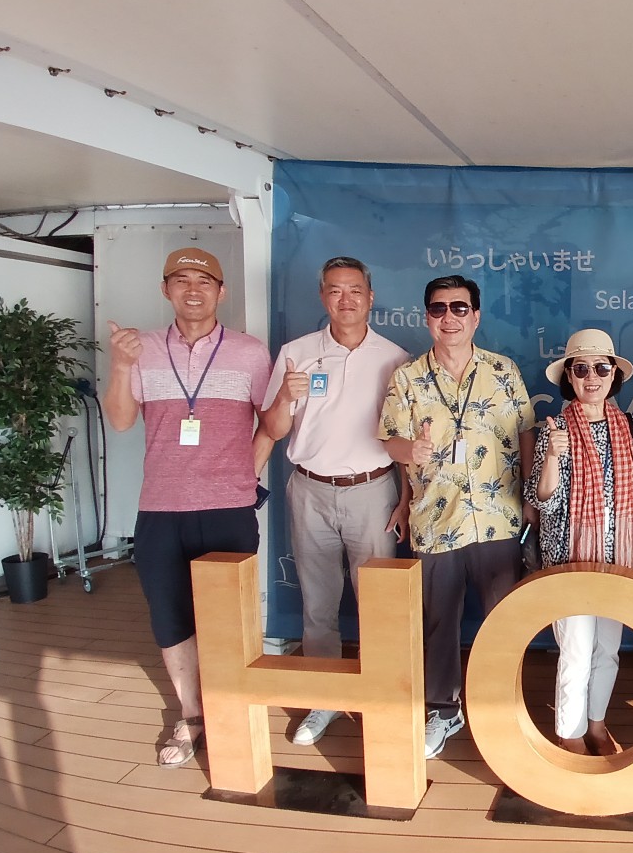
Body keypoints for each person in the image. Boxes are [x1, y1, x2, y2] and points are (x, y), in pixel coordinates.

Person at [102, 247, 272, 768]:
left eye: (204, 281)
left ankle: (230, 708)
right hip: (160, 506)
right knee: (170, 614)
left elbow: (271, 423)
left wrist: (246, 473)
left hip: (229, 507)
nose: (192, 290)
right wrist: (121, 365)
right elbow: (121, 420)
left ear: (222, 291)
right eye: (181, 280)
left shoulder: (249, 352)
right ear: (166, 290)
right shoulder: (143, 349)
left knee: (229, 617)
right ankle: (192, 714)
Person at [379, 275, 536, 759]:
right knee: (438, 622)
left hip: (499, 516)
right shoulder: (407, 377)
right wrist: (410, 450)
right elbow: (389, 440)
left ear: (476, 315)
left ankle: (500, 706)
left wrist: (532, 499)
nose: (449, 317)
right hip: (436, 518)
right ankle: (443, 710)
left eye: (459, 308)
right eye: (439, 308)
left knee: (502, 620)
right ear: (427, 316)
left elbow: (526, 434)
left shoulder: (503, 370)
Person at [261, 256, 410, 746]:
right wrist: (284, 397)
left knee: (379, 604)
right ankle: (323, 699)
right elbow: (273, 429)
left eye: (355, 290)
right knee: (318, 604)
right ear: (322, 296)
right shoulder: (297, 353)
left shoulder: (396, 359)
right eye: (335, 290)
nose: (346, 299)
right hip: (310, 490)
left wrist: (405, 499)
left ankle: (381, 699)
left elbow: (403, 438)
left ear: (371, 297)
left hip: (374, 491)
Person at [526, 329, 633, 756]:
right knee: (575, 651)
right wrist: (552, 456)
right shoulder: (554, 430)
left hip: (619, 557)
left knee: (608, 649)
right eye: (581, 368)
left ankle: (597, 724)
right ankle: (569, 736)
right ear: (569, 376)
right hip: (570, 557)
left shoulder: (631, 428)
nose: (592, 377)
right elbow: (541, 500)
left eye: (601, 368)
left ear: (613, 375)